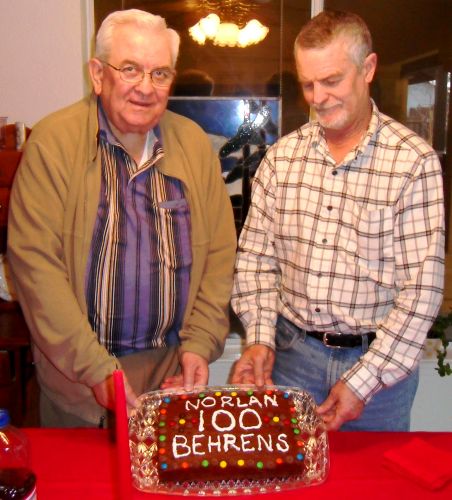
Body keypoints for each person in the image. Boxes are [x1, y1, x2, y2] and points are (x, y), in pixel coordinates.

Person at [7, 9, 236, 428]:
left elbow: (220, 257)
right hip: (77, 387)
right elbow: (36, 268)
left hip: (171, 382)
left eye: (160, 73)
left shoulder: (195, 146)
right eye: (130, 69)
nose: (145, 88)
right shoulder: (52, 144)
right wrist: (96, 370)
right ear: (97, 74)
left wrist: (199, 344)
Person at [231, 10, 445, 431]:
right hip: (292, 357)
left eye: (331, 81)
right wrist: (259, 338)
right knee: (289, 484)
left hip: (380, 368)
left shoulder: (413, 163)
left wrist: (364, 381)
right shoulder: (281, 159)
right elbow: (256, 260)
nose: (318, 97)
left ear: (368, 69)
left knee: (375, 487)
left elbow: (422, 291)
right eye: (308, 84)